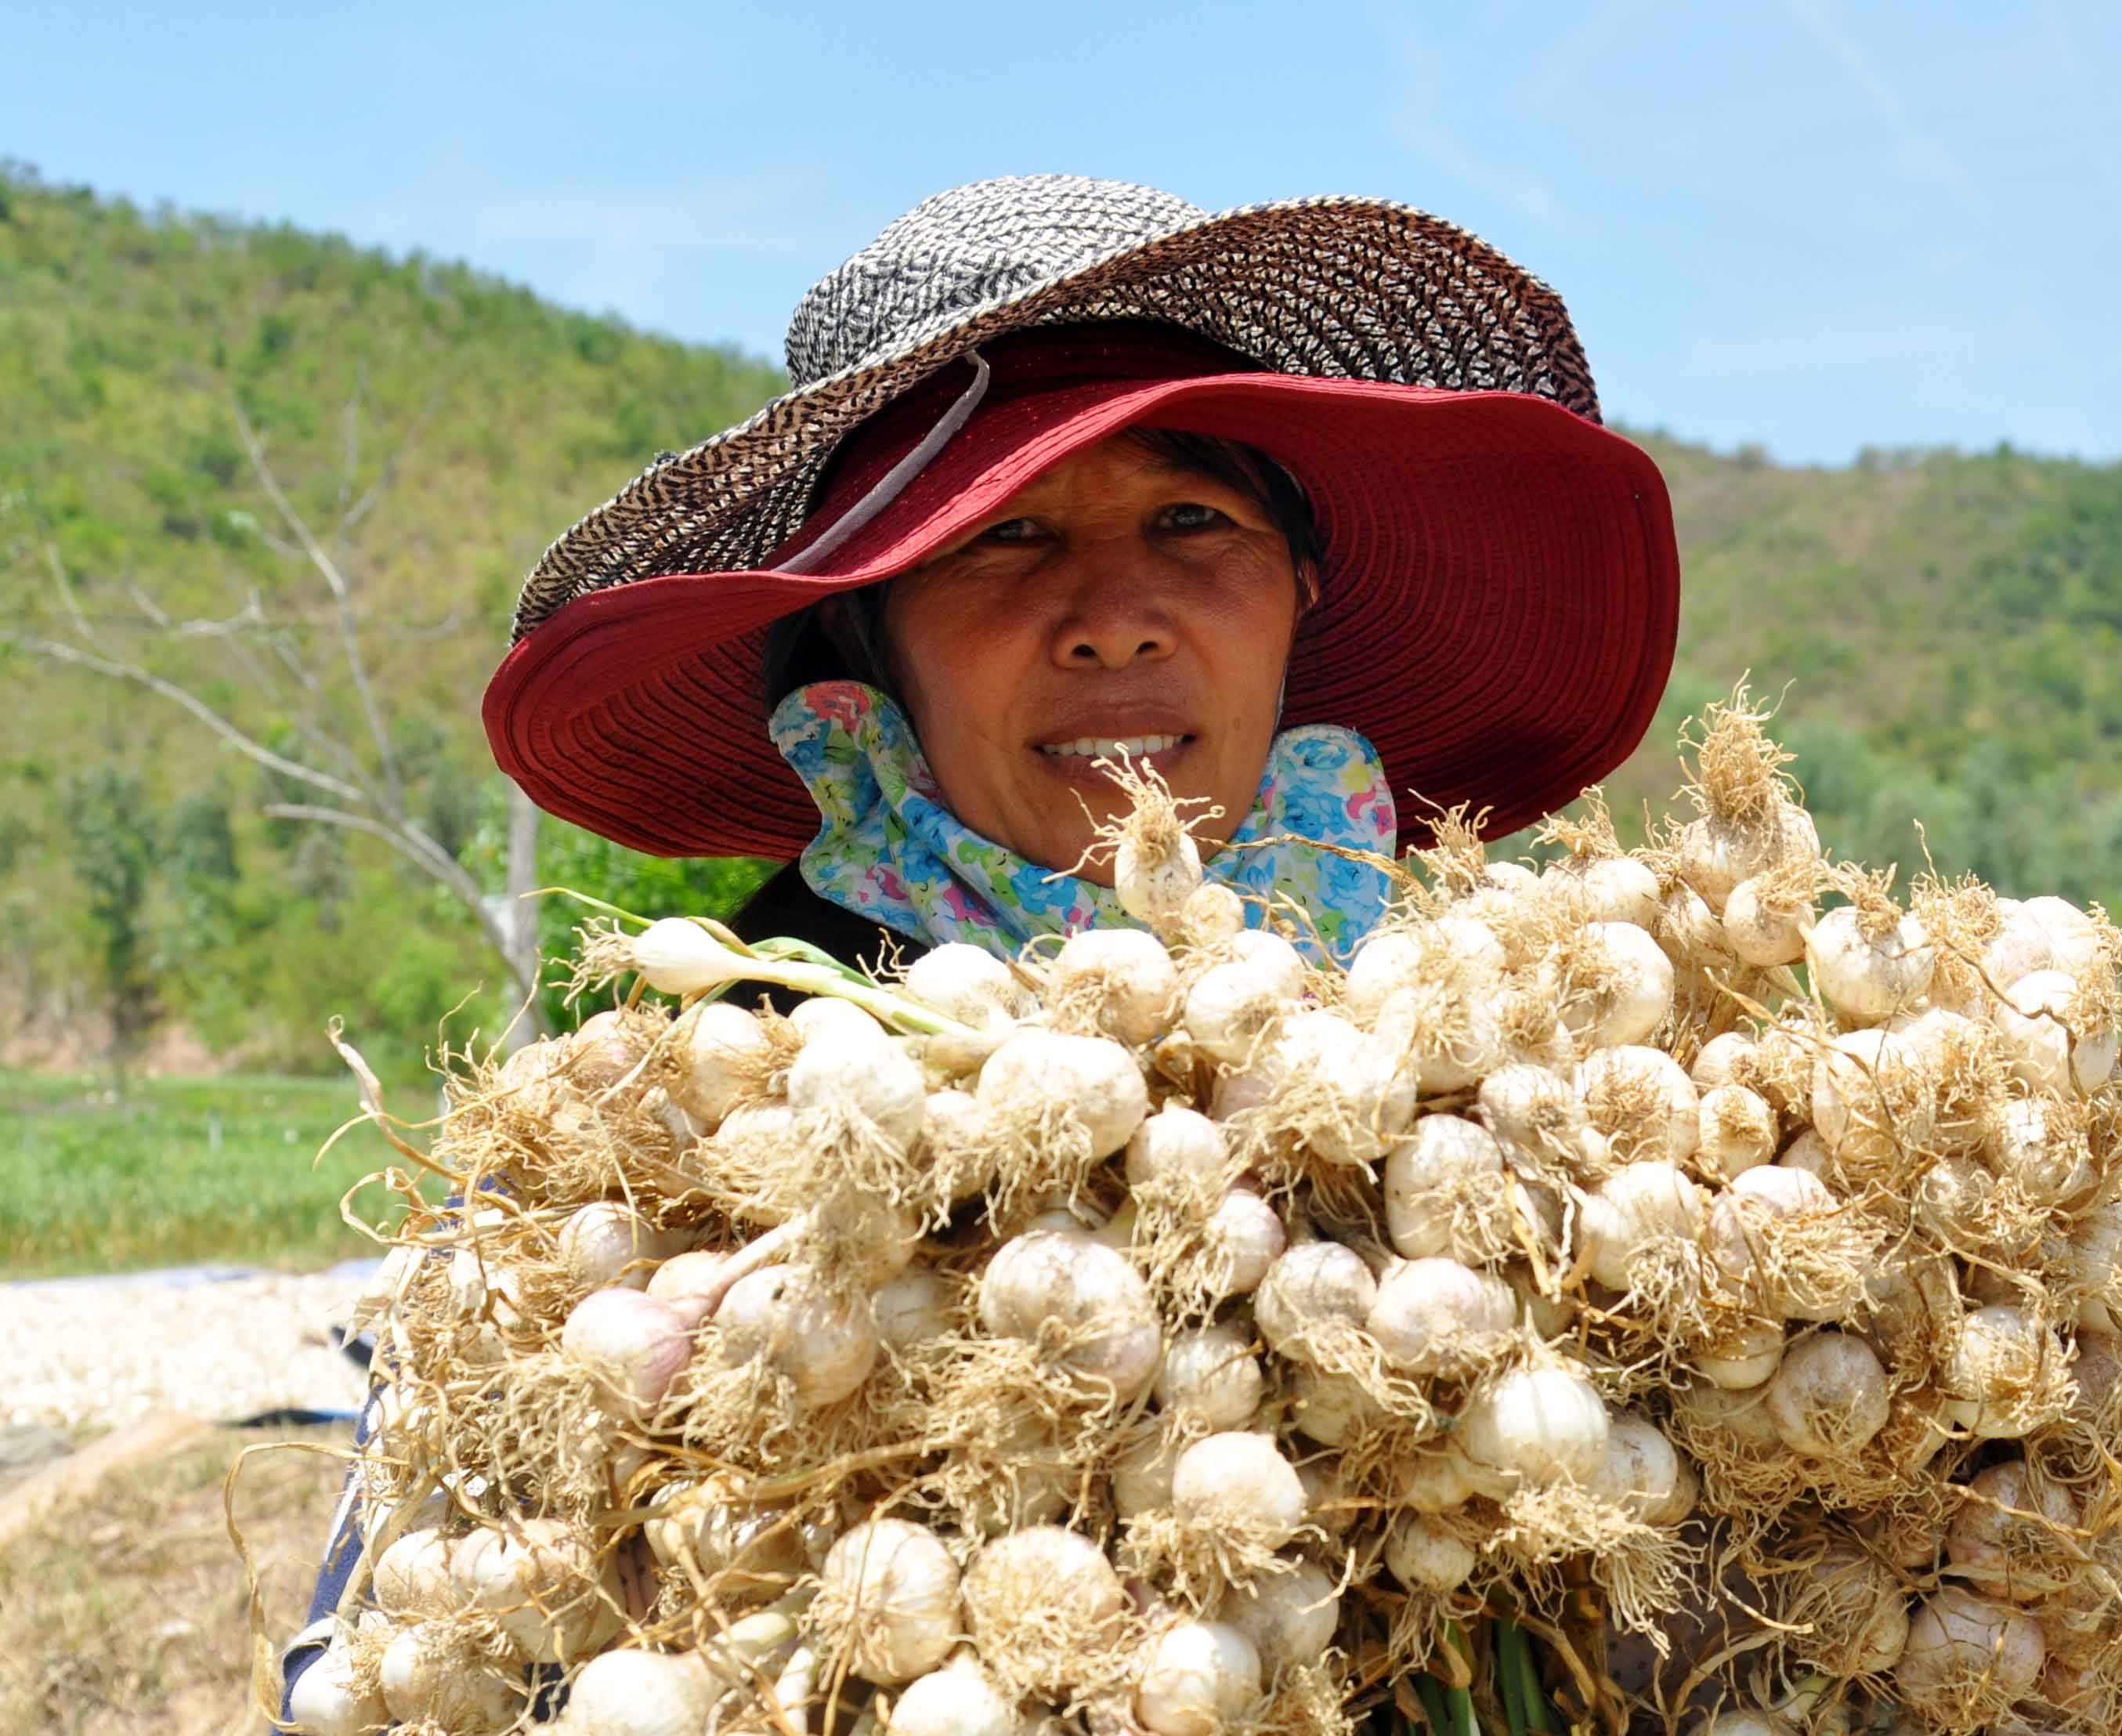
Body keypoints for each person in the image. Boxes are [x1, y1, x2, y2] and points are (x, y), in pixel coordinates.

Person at [280, 172, 1680, 1716]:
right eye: (1001, 536)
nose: (1112, 615)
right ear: (862, 644)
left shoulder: (1541, 1093)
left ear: (1300, 591)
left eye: (1188, 517)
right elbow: (366, 1667)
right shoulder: (648, 1145)